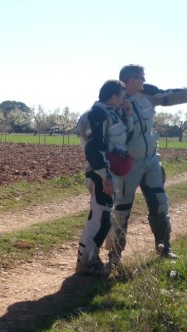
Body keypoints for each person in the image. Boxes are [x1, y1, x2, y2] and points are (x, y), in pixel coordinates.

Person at [106, 64, 187, 265]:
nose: (144, 81)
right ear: (131, 80)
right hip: (128, 165)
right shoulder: (114, 101)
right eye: (141, 77)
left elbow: (175, 95)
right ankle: (114, 256)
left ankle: (164, 248)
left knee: (160, 203)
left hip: (151, 161)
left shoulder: (149, 94)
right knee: (121, 210)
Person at [75, 80, 133, 276]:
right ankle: (86, 262)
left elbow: (117, 141)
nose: (125, 99)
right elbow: (93, 148)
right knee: (99, 219)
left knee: (103, 219)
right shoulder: (96, 114)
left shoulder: (111, 114)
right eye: (123, 96)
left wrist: (127, 116)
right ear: (114, 96)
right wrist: (105, 176)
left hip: (107, 173)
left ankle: (91, 259)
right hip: (100, 173)